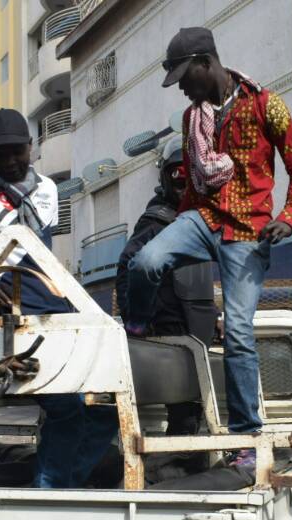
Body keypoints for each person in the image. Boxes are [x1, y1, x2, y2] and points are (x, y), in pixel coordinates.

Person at [123, 27, 292, 465]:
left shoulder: (267, 105)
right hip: (203, 217)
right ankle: (137, 327)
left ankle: (245, 439)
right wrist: (178, 228)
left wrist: (289, 218)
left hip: (247, 231)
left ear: (207, 63)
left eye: (186, 78)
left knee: (240, 333)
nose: (183, 88)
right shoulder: (194, 118)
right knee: (146, 259)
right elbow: (191, 184)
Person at [0, 108, 117, 489]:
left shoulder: (47, 189)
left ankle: (60, 483)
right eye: (0, 154)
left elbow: (42, 252)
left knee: (105, 407)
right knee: (66, 408)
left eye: (17, 151)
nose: (10, 161)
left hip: (53, 307)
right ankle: (51, 490)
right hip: (8, 313)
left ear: (31, 148)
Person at [115, 136, 219, 435]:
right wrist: (137, 321)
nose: (183, 185)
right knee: (185, 411)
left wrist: (214, 317)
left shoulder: (197, 219)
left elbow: (200, 279)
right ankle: (181, 466)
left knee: (195, 408)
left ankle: (188, 464)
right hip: (172, 330)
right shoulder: (157, 221)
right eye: (177, 178)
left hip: (196, 328)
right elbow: (128, 269)